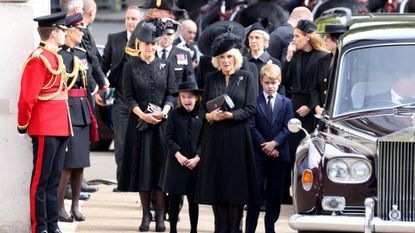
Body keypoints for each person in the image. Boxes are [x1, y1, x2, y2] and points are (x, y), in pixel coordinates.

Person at [195, 20, 260, 233]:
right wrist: (209, 116)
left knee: (235, 186)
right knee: (217, 185)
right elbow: (203, 108)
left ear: (236, 57)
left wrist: (231, 115)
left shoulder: (247, 76)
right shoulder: (211, 77)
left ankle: (235, 228)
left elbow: (251, 108)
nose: (226, 61)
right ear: (216, 60)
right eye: (221, 57)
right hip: (214, 138)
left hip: (237, 137)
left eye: (229, 56)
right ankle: (219, 227)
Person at [118, 18, 176, 232]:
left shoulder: (166, 65)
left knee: (160, 171)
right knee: (143, 172)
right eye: (146, 43)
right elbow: (128, 97)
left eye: (153, 43)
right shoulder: (130, 67)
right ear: (139, 44)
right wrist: (142, 115)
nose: (150, 47)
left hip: (162, 124)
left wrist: (164, 112)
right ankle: (145, 214)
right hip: (140, 125)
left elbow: (172, 94)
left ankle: (161, 215)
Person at [17, 12, 71, 233]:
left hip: (59, 126)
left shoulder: (55, 57)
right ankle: (40, 227)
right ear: (54, 32)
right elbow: (27, 97)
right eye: (63, 30)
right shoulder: (38, 58)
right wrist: (23, 124)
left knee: (53, 181)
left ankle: (52, 224)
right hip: (44, 126)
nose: (66, 34)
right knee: (41, 181)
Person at [56, 13, 96, 223]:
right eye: (79, 30)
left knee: (80, 163)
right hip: (67, 111)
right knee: (67, 164)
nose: (82, 33)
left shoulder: (81, 53)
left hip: (81, 110)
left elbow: (87, 84)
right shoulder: (59, 55)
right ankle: (59, 205)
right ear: (69, 31)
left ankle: (75, 205)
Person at [100, 5, 144, 191]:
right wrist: (99, 87)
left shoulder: (147, 41)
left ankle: (140, 182)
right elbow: (103, 65)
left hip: (142, 101)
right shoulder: (114, 39)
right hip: (120, 99)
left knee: (141, 143)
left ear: (140, 21)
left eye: (134, 19)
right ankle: (122, 182)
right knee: (121, 141)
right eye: (128, 18)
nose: (130, 22)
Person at [245, 63, 293, 233]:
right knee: (255, 192)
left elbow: (288, 127)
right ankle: (250, 227)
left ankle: (270, 226)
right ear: (261, 82)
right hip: (259, 154)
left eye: (273, 83)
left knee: (275, 193)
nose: (270, 86)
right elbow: (251, 126)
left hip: (279, 154)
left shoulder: (286, 103)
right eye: (267, 83)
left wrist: (275, 143)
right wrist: (266, 146)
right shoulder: (255, 101)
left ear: (279, 81)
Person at [160, 81, 203, 233]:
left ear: (197, 97)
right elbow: (168, 137)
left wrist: (197, 157)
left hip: (195, 163)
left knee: (193, 200)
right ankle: (172, 229)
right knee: (174, 198)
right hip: (176, 161)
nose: (186, 100)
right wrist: (178, 154)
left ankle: (193, 229)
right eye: (183, 97)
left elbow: (205, 139)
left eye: (190, 97)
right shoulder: (173, 114)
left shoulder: (202, 114)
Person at [311, 24, 347, 116]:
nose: (324, 40)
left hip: (340, 112)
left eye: (327, 37)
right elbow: (314, 86)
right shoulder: (323, 60)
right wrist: (317, 107)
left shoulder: (346, 60)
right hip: (321, 112)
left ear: (337, 39)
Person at [245, 19, 281, 92]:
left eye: (257, 37)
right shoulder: (242, 62)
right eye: (251, 37)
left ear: (265, 41)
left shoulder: (275, 62)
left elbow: (280, 90)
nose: (253, 40)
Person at [157, 18, 195, 85]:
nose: (166, 37)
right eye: (163, 33)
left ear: (174, 35)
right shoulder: (150, 53)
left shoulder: (184, 54)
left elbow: (190, 82)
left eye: (169, 34)